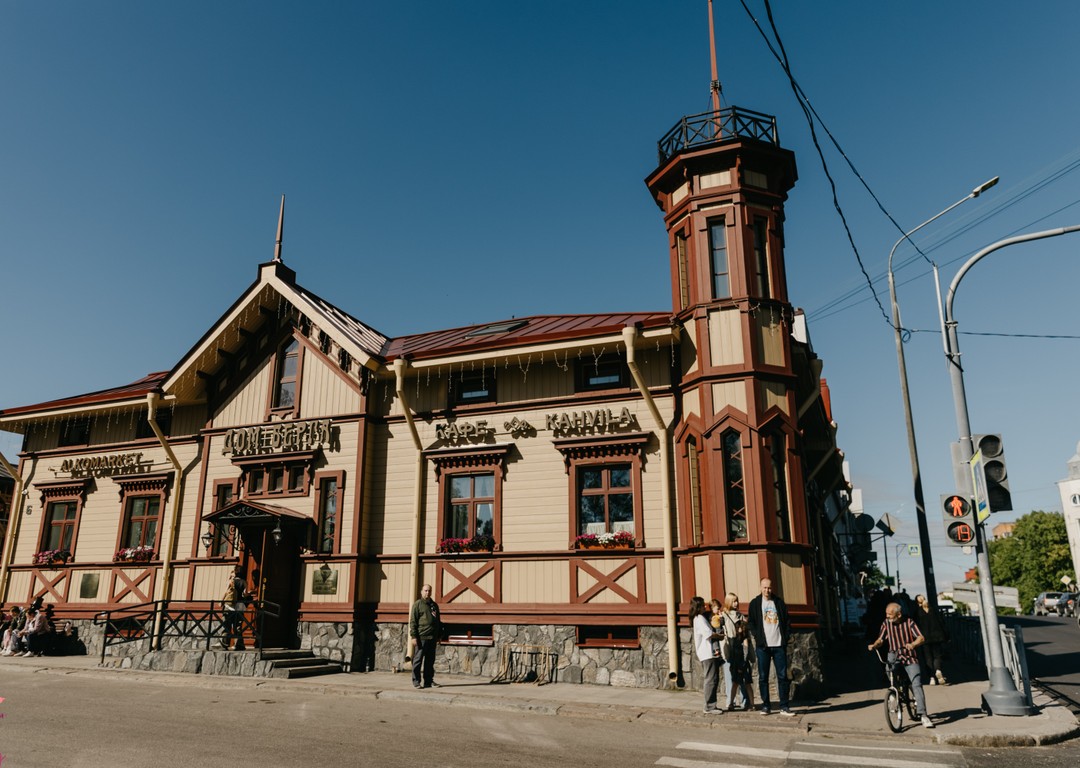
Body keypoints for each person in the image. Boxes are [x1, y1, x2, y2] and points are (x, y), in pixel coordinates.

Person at [868, 601, 935, 728]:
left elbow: (921, 638)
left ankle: (923, 715)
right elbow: (881, 639)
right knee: (889, 672)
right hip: (894, 655)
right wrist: (875, 645)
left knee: (917, 684)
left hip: (909, 656)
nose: (887, 616)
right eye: (886, 614)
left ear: (898, 614)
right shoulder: (886, 623)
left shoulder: (909, 622)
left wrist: (913, 644)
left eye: (890, 614)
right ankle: (895, 691)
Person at [747, 578, 794, 716]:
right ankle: (766, 706)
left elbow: (786, 621)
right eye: (764, 587)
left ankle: (784, 706)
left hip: (779, 644)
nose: (767, 590)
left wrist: (785, 636)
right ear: (760, 587)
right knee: (763, 677)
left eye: (769, 588)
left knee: (782, 676)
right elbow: (751, 623)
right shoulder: (755, 603)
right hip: (763, 646)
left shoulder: (778, 602)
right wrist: (757, 636)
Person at [720, 593, 754, 711]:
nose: (736, 603)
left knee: (744, 680)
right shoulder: (724, 616)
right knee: (732, 679)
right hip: (731, 649)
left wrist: (749, 654)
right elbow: (723, 634)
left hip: (740, 649)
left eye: (737, 601)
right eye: (734, 601)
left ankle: (746, 701)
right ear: (729, 602)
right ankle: (731, 701)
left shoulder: (741, 616)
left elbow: (746, 635)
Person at [689, 596, 722, 714]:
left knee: (713, 678)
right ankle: (709, 706)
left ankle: (711, 704)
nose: (704, 607)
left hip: (708, 653)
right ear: (698, 607)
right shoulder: (699, 619)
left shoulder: (699, 618)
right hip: (707, 652)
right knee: (710, 679)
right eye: (702, 605)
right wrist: (720, 636)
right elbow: (709, 634)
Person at [409, 583, 442, 689]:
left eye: (429, 591)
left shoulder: (434, 605)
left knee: (430, 661)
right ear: (421, 592)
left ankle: (428, 681)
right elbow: (413, 621)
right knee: (418, 660)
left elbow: (438, 621)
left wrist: (439, 635)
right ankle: (416, 681)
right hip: (421, 637)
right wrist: (414, 636)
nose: (427, 593)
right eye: (426, 590)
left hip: (432, 638)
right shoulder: (417, 604)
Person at [914, 594, 949, 685]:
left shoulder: (917, 612)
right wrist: (946, 636)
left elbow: (916, 627)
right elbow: (941, 623)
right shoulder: (933, 610)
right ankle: (938, 670)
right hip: (937, 637)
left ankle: (932, 677)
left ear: (917, 603)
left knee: (927, 658)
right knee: (937, 656)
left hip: (924, 638)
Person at [221, 565, 249, 650]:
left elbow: (226, 592)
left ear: (235, 572)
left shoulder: (230, 581)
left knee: (226, 625)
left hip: (229, 606)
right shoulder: (244, 582)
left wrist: (221, 601)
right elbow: (245, 594)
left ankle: (225, 644)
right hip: (240, 606)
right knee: (238, 626)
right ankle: (239, 645)